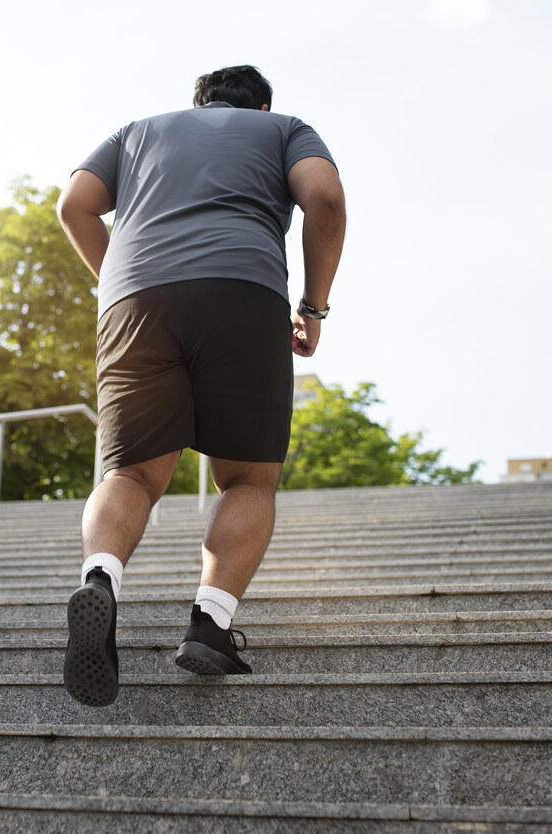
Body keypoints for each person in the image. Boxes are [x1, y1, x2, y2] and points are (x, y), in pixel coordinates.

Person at [57, 64, 345, 707]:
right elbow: (324, 199)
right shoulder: (283, 131)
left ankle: (100, 582)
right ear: (262, 106)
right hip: (243, 296)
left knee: (128, 475)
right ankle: (210, 625)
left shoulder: (137, 132)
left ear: (197, 103)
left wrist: (119, 279)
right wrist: (313, 308)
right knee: (247, 478)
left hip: (136, 304)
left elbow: (74, 205)